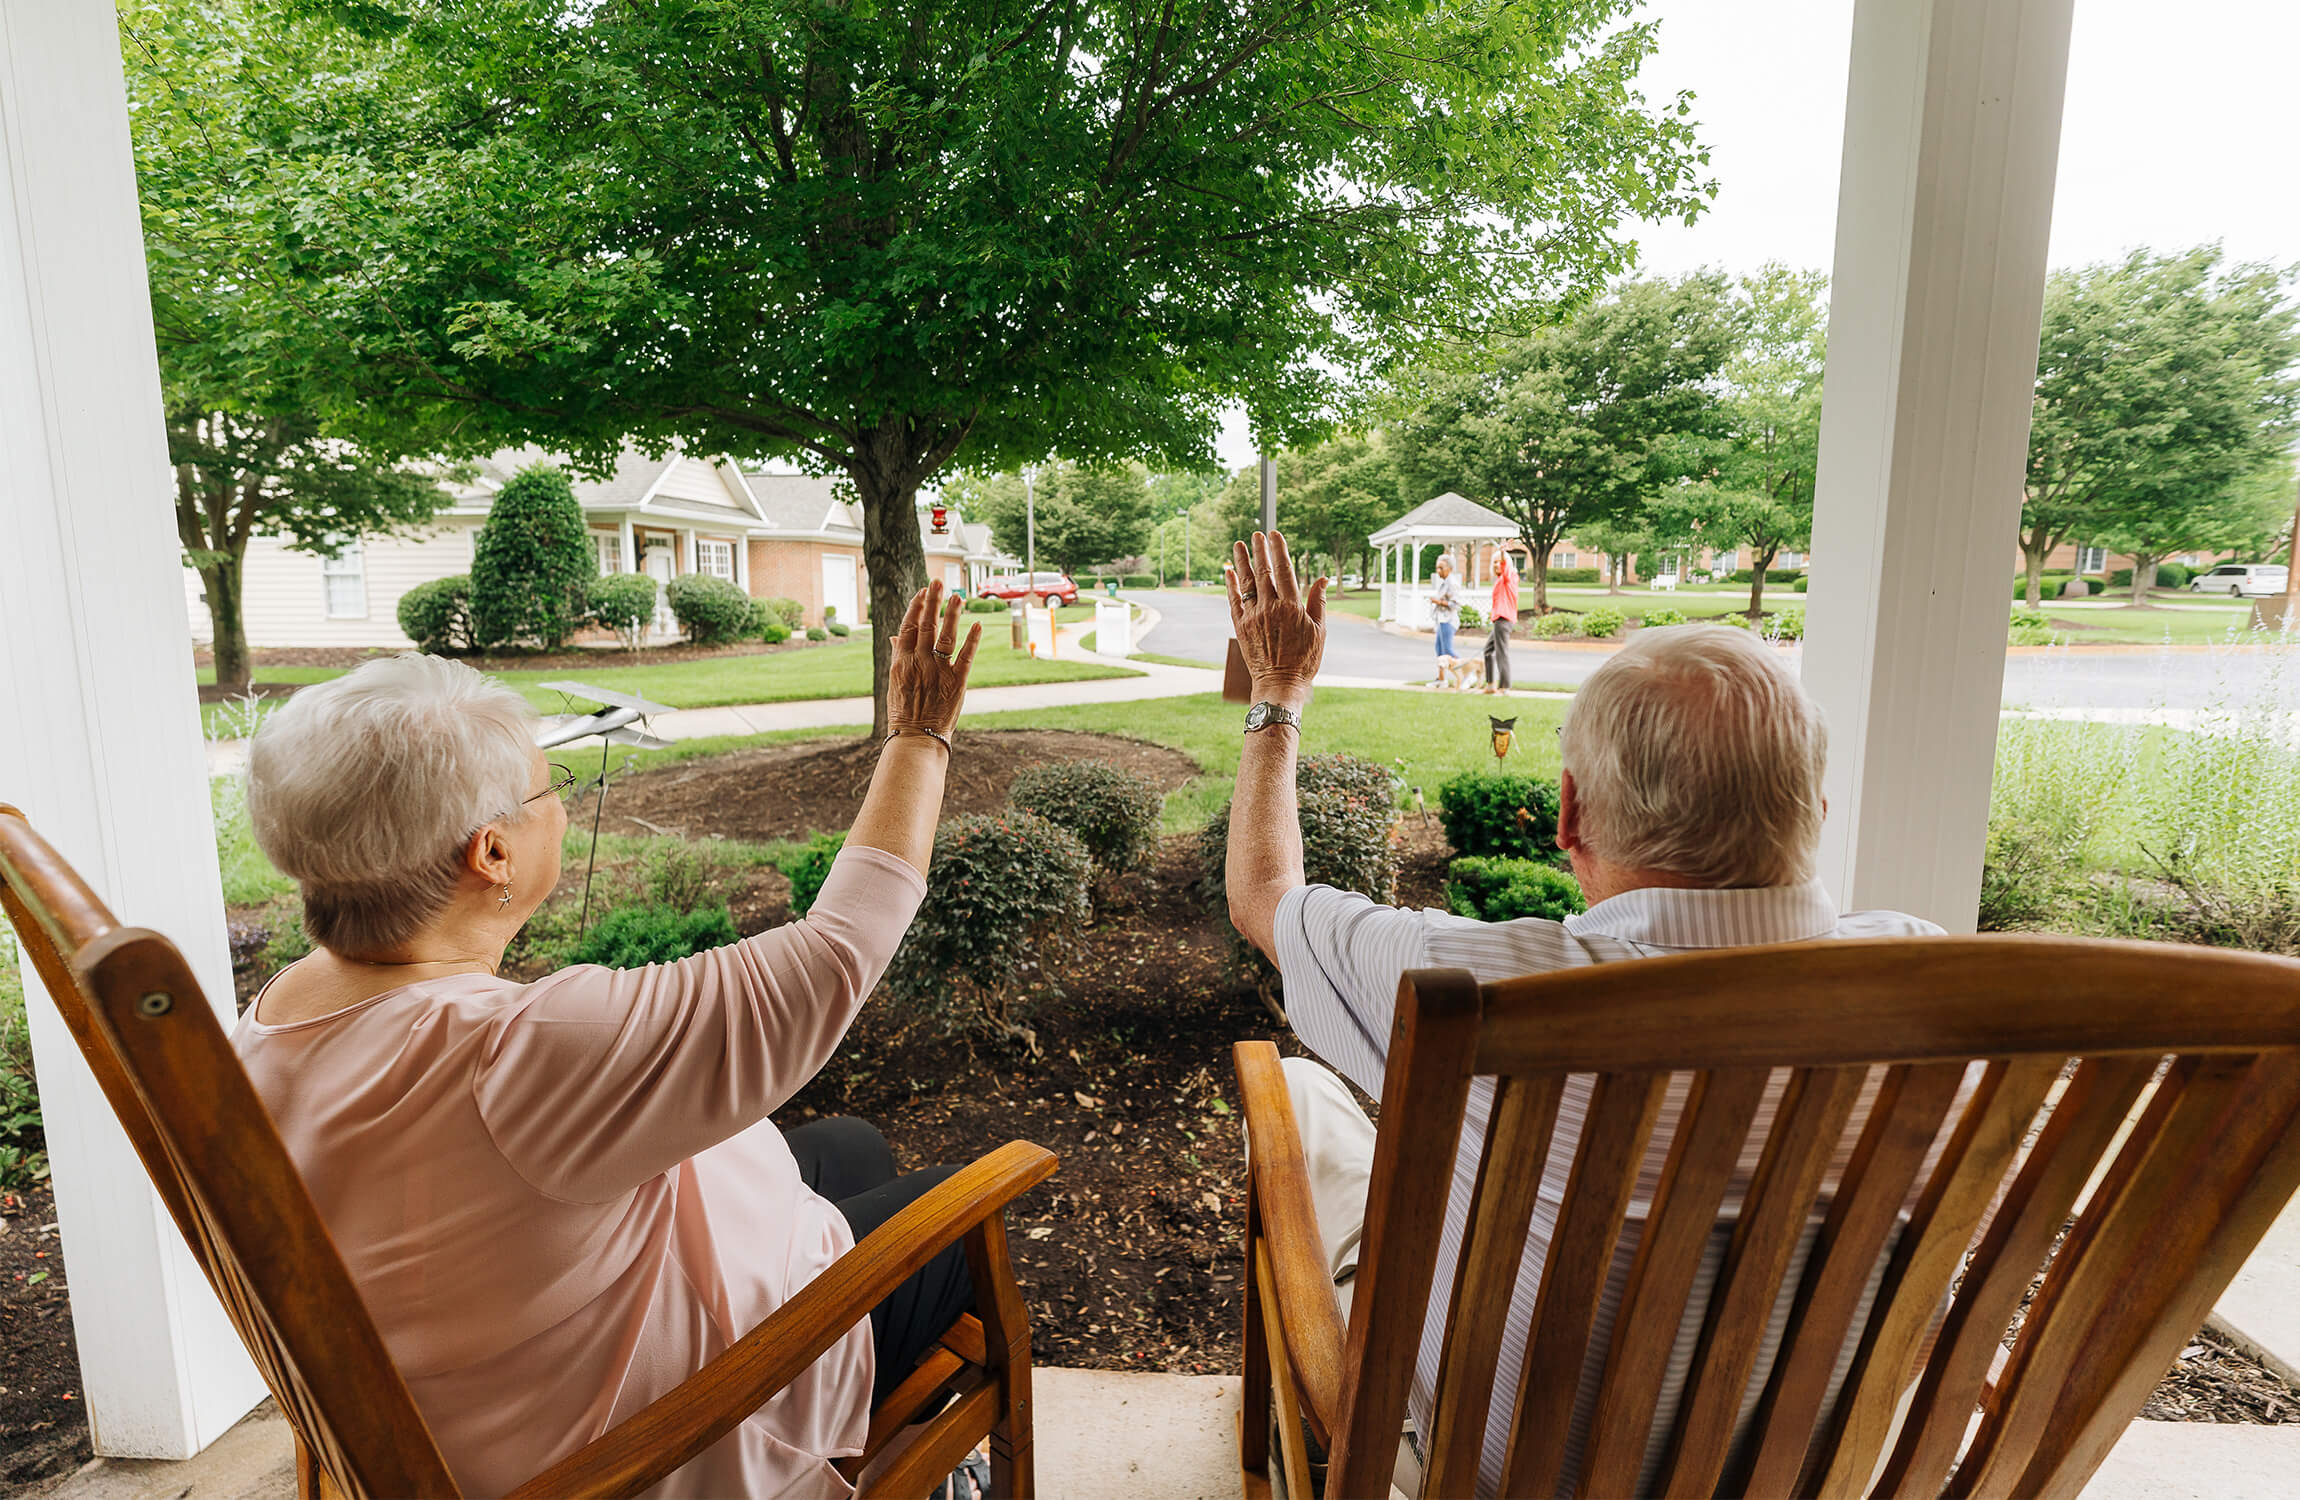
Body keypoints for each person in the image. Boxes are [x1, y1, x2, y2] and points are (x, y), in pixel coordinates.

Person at [1221, 532, 1962, 1498]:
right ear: (1815, 807)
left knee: (1301, 1097)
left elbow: (1262, 891)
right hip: (1795, 1468)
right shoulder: (1936, 983)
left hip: (1492, 1471)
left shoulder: (1475, 975)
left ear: (1570, 815)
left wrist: (1278, 696)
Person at [235, 584, 984, 1498]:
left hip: (470, 1382)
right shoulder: (523, 1052)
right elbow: (839, 951)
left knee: (848, 1146)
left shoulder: (277, 1010)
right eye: (550, 787)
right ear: (492, 854)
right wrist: (920, 734)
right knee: (960, 1213)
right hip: (624, 1442)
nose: (560, 802)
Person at [1483, 545, 1519, 694]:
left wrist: (1503, 553)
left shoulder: (1509, 576)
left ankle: (1505, 687)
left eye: (1500, 562)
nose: (1497, 564)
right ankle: (1490, 685)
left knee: (1501, 653)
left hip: (1504, 620)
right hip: (1499, 620)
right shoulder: (1499, 580)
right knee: (1487, 651)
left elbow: (1505, 568)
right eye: (1494, 562)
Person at [1427, 553, 1462, 686]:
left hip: (1448, 621)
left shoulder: (1452, 583)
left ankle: (1466, 673)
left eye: (1441, 568)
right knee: (1440, 650)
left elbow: (1456, 604)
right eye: (1437, 568)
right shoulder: (1445, 583)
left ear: (1449, 568)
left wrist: (1438, 602)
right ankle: (1441, 679)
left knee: (1447, 651)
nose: (1438, 571)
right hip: (1442, 620)